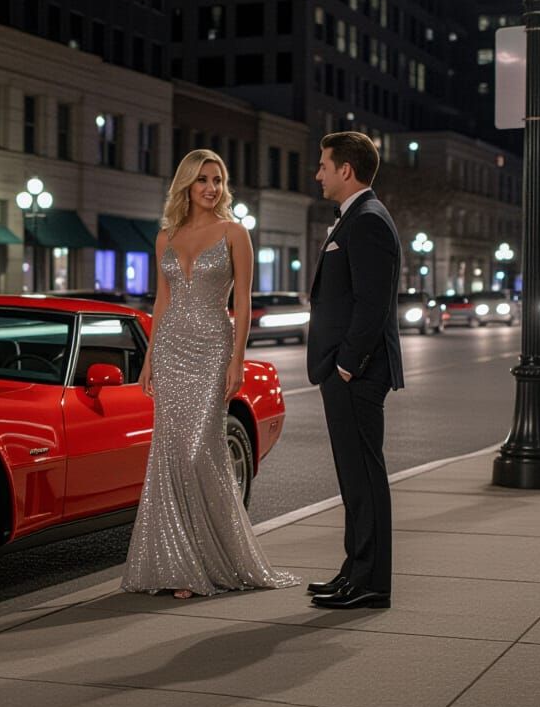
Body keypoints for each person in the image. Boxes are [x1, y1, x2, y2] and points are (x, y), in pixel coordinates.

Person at [122, 149, 300, 599]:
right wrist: (149, 358)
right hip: (171, 350)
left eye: (217, 180)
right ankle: (176, 564)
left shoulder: (234, 233)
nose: (211, 188)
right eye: (203, 179)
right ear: (186, 184)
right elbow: (162, 300)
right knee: (169, 452)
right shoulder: (166, 237)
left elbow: (243, 302)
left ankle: (210, 558)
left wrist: (237, 359)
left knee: (200, 451)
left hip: (211, 349)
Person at [307, 131, 404, 610]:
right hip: (346, 371)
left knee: (364, 477)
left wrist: (346, 365)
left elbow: (371, 304)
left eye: (324, 165)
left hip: (357, 373)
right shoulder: (357, 217)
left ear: (346, 170)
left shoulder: (367, 220)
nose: (318, 174)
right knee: (354, 478)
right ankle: (355, 571)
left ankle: (370, 582)